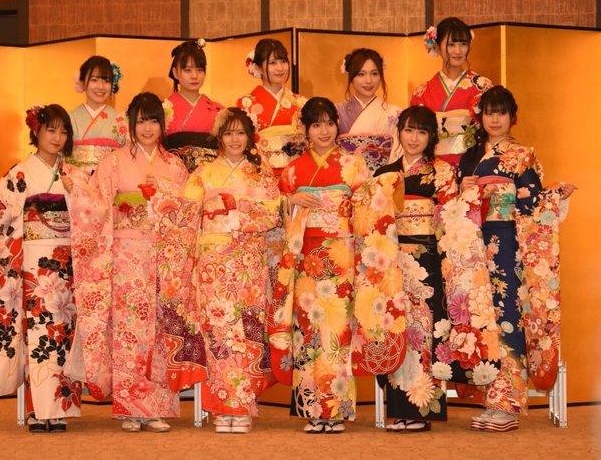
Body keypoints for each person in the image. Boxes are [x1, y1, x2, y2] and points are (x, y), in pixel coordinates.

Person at [69, 92, 206, 432]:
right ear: (131, 124)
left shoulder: (174, 166)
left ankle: (156, 408)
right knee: (130, 330)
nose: (147, 128)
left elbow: (190, 207)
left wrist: (165, 194)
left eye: (153, 121)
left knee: (159, 328)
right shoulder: (113, 162)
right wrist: (76, 186)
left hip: (164, 255)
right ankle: (130, 407)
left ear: (162, 124)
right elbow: (95, 203)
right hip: (126, 253)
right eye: (141, 121)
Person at [457, 86, 576, 432]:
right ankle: (489, 399)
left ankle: (507, 404)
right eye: (489, 112)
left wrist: (555, 195)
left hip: (507, 243)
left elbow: (532, 203)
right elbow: (454, 203)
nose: (495, 119)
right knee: (481, 319)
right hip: (472, 244)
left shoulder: (522, 155)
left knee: (508, 317)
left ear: (512, 117)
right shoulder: (470, 156)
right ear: (480, 117)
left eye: (502, 112)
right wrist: (466, 191)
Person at [0, 105, 81, 432]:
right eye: (51, 130)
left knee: (64, 334)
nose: (57, 138)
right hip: (34, 261)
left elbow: (91, 211)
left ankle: (59, 408)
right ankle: (38, 410)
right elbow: (2, 211)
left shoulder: (73, 173)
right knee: (38, 333)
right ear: (36, 132)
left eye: (63, 132)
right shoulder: (21, 172)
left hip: (68, 261)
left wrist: (78, 194)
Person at [268, 97, 369, 434]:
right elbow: (277, 212)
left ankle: (336, 410)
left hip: (341, 257)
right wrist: (290, 201)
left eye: (329, 123)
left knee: (337, 332)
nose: (324, 131)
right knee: (308, 334)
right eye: (316, 125)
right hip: (306, 259)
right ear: (306, 130)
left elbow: (368, 208)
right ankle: (312, 409)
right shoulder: (294, 169)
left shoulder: (353, 165)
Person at [182, 108, 281, 433]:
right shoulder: (203, 173)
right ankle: (221, 407)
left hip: (248, 261)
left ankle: (242, 406)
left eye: (240, 133)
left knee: (247, 331)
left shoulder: (261, 173)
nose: (235, 139)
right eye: (228, 133)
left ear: (249, 137)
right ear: (219, 138)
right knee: (219, 333)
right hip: (213, 262)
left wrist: (236, 214)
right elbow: (187, 211)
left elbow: (272, 214)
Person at [371, 105, 458, 432]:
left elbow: (451, 218)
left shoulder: (442, 173)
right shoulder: (385, 173)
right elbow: (373, 219)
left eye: (422, 132)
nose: (414, 138)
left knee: (424, 329)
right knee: (396, 327)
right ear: (399, 132)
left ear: (431, 136)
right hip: (391, 259)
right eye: (409, 130)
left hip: (428, 258)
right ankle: (399, 409)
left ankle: (421, 410)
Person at [411, 17, 492, 167]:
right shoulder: (421, 92)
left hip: (473, 164)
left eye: (463, 44)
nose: (458, 51)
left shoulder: (482, 86)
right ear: (437, 46)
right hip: (433, 166)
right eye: (451, 44)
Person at [237, 38, 307, 175]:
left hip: (298, 173)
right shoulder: (246, 104)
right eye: (272, 63)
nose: (280, 68)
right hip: (261, 174)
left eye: (283, 61)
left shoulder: (301, 102)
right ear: (258, 67)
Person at [335, 48, 403, 174]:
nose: (368, 80)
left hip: (385, 177)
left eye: (374, 73)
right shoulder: (337, 112)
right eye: (361, 74)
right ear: (351, 76)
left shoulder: (395, 112)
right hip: (346, 176)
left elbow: (399, 153)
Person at [162, 39, 224, 172]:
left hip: (210, 176)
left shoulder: (218, 110)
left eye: (199, 70)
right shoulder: (163, 110)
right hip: (173, 174)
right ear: (175, 72)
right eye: (187, 70)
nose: (194, 76)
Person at [68, 55, 128, 173]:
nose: (100, 87)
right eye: (94, 80)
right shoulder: (69, 118)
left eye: (106, 81)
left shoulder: (121, 120)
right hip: (74, 179)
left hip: (110, 178)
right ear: (83, 82)